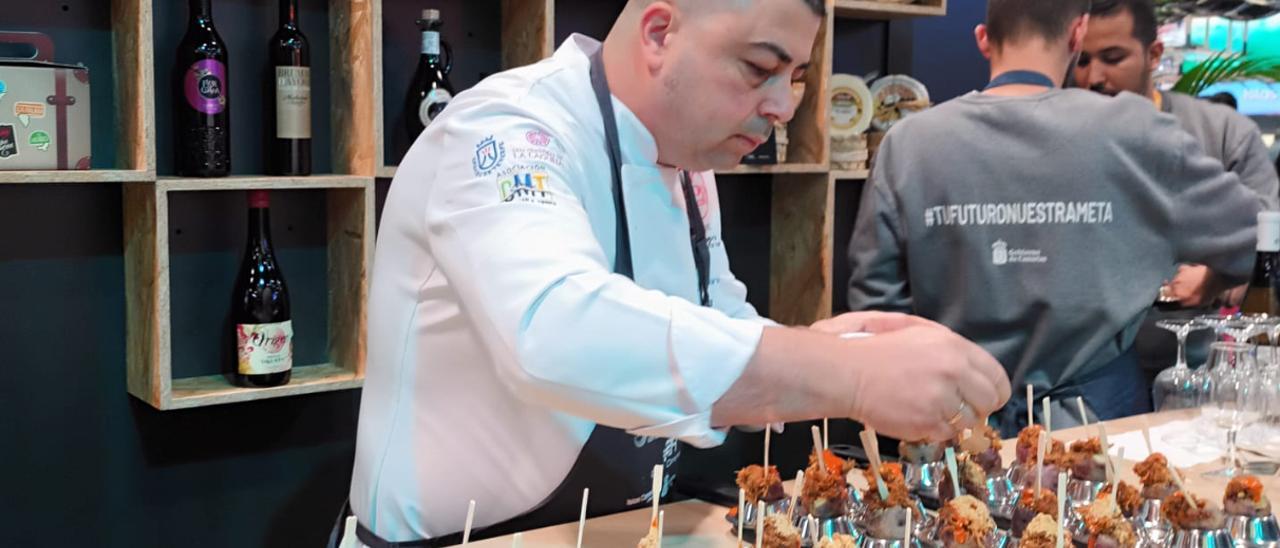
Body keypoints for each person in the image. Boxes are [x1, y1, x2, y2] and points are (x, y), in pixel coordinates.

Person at [345, 1, 1011, 545]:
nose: (784, 105)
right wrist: (851, 377)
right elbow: (552, 333)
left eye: (798, 76)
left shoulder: (688, 165)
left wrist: (838, 345)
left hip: (614, 530)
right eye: (759, 68)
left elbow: (716, 325)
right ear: (660, 32)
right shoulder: (508, 130)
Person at [845, 0, 1263, 437]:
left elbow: (876, 305)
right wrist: (1215, 279)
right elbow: (1254, 234)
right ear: (1077, 34)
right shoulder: (1136, 132)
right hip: (1098, 431)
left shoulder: (908, 144)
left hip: (955, 431)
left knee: (956, 510)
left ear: (983, 40)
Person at [1073, 0, 1279, 389]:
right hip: (1087, 370)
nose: (1094, 77)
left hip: (1198, 357)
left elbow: (1270, 234)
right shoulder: (1062, 137)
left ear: (1154, 55)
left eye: (1112, 58)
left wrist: (1217, 276)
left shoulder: (1222, 133)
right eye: (1081, 61)